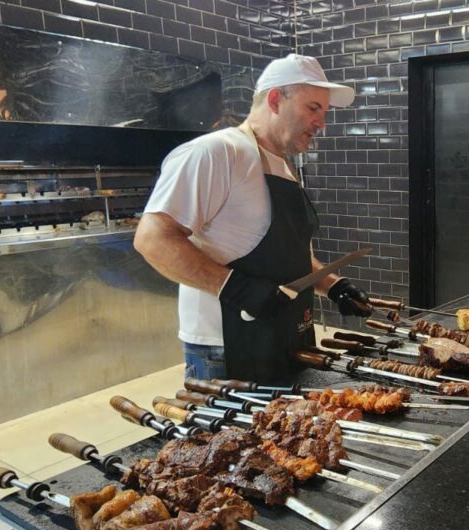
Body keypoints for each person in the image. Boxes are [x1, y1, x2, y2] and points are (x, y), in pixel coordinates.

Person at [135, 54, 373, 383]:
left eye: (324, 113)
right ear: (276, 98)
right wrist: (236, 288)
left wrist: (334, 286)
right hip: (228, 346)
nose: (322, 123)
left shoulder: (283, 165)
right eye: (313, 108)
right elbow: (152, 239)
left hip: (288, 334)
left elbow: (288, 252)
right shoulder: (216, 152)